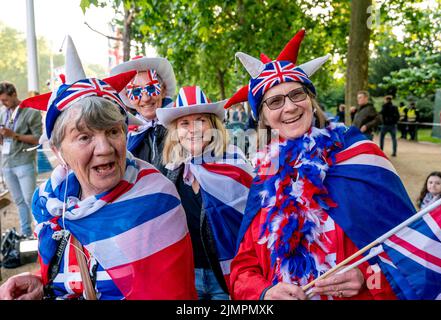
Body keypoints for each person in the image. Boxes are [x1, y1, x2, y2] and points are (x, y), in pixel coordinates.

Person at [225, 29, 416, 300]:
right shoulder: (264, 179)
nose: (290, 107)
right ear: (264, 118)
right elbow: (242, 269)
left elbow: (413, 247)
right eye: (275, 101)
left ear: (311, 101)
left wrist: (368, 275)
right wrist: (264, 293)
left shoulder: (362, 157)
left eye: (297, 94)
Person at [0, 36, 196, 300]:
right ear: (58, 151)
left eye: (113, 131)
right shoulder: (51, 201)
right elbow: (71, 274)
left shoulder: (155, 200)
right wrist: (40, 283)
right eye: (84, 136)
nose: (105, 148)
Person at [156, 86, 254, 299]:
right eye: (184, 123)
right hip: (186, 274)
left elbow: (253, 222)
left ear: (213, 126)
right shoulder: (170, 170)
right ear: (176, 131)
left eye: (201, 120)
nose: (193, 129)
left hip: (228, 274)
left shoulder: (235, 165)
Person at [110, 56, 177, 176]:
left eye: (151, 88)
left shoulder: (180, 124)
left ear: (163, 90)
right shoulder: (126, 135)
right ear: (128, 97)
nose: (145, 99)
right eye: (136, 92)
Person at [0, 81, 42, 238]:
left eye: (5, 100)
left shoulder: (31, 112)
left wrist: (14, 135)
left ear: (14, 95)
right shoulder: (2, 113)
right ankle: (25, 233)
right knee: (18, 201)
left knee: (31, 200)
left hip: (24, 162)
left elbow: (39, 139)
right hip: (7, 163)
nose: (2, 103)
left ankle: (40, 232)